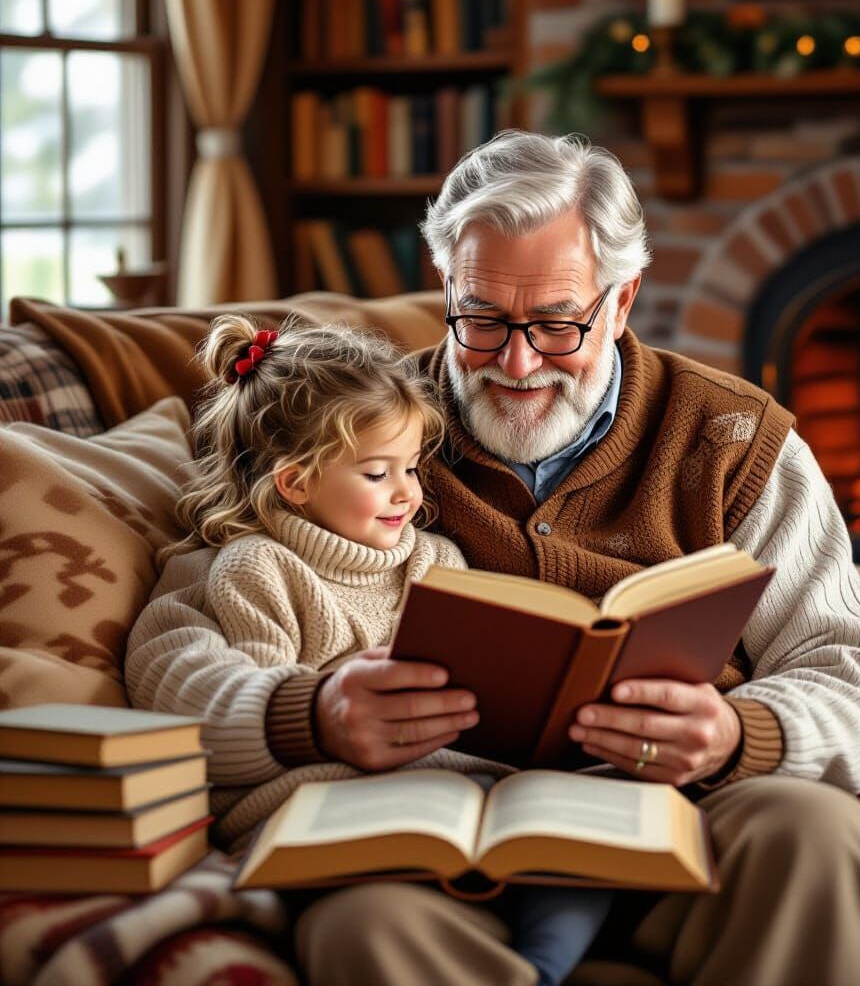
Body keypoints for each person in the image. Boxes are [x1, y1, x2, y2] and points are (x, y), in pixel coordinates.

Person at [128, 131, 860, 986]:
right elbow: (180, 636)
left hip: (686, 815)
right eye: (485, 318)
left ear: (622, 300)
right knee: (366, 925)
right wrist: (308, 715)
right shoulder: (363, 429)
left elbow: (854, 666)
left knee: (820, 839)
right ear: (446, 286)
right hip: (431, 841)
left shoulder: (730, 438)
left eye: (556, 323)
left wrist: (739, 735)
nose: (516, 361)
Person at [128, 314, 612, 986]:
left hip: (466, 791)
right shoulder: (256, 568)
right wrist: (313, 710)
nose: (409, 492)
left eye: (412, 467)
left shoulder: (435, 561)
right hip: (332, 809)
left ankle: (542, 967)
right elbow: (199, 683)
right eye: (379, 472)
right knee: (380, 907)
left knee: (580, 835)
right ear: (295, 482)